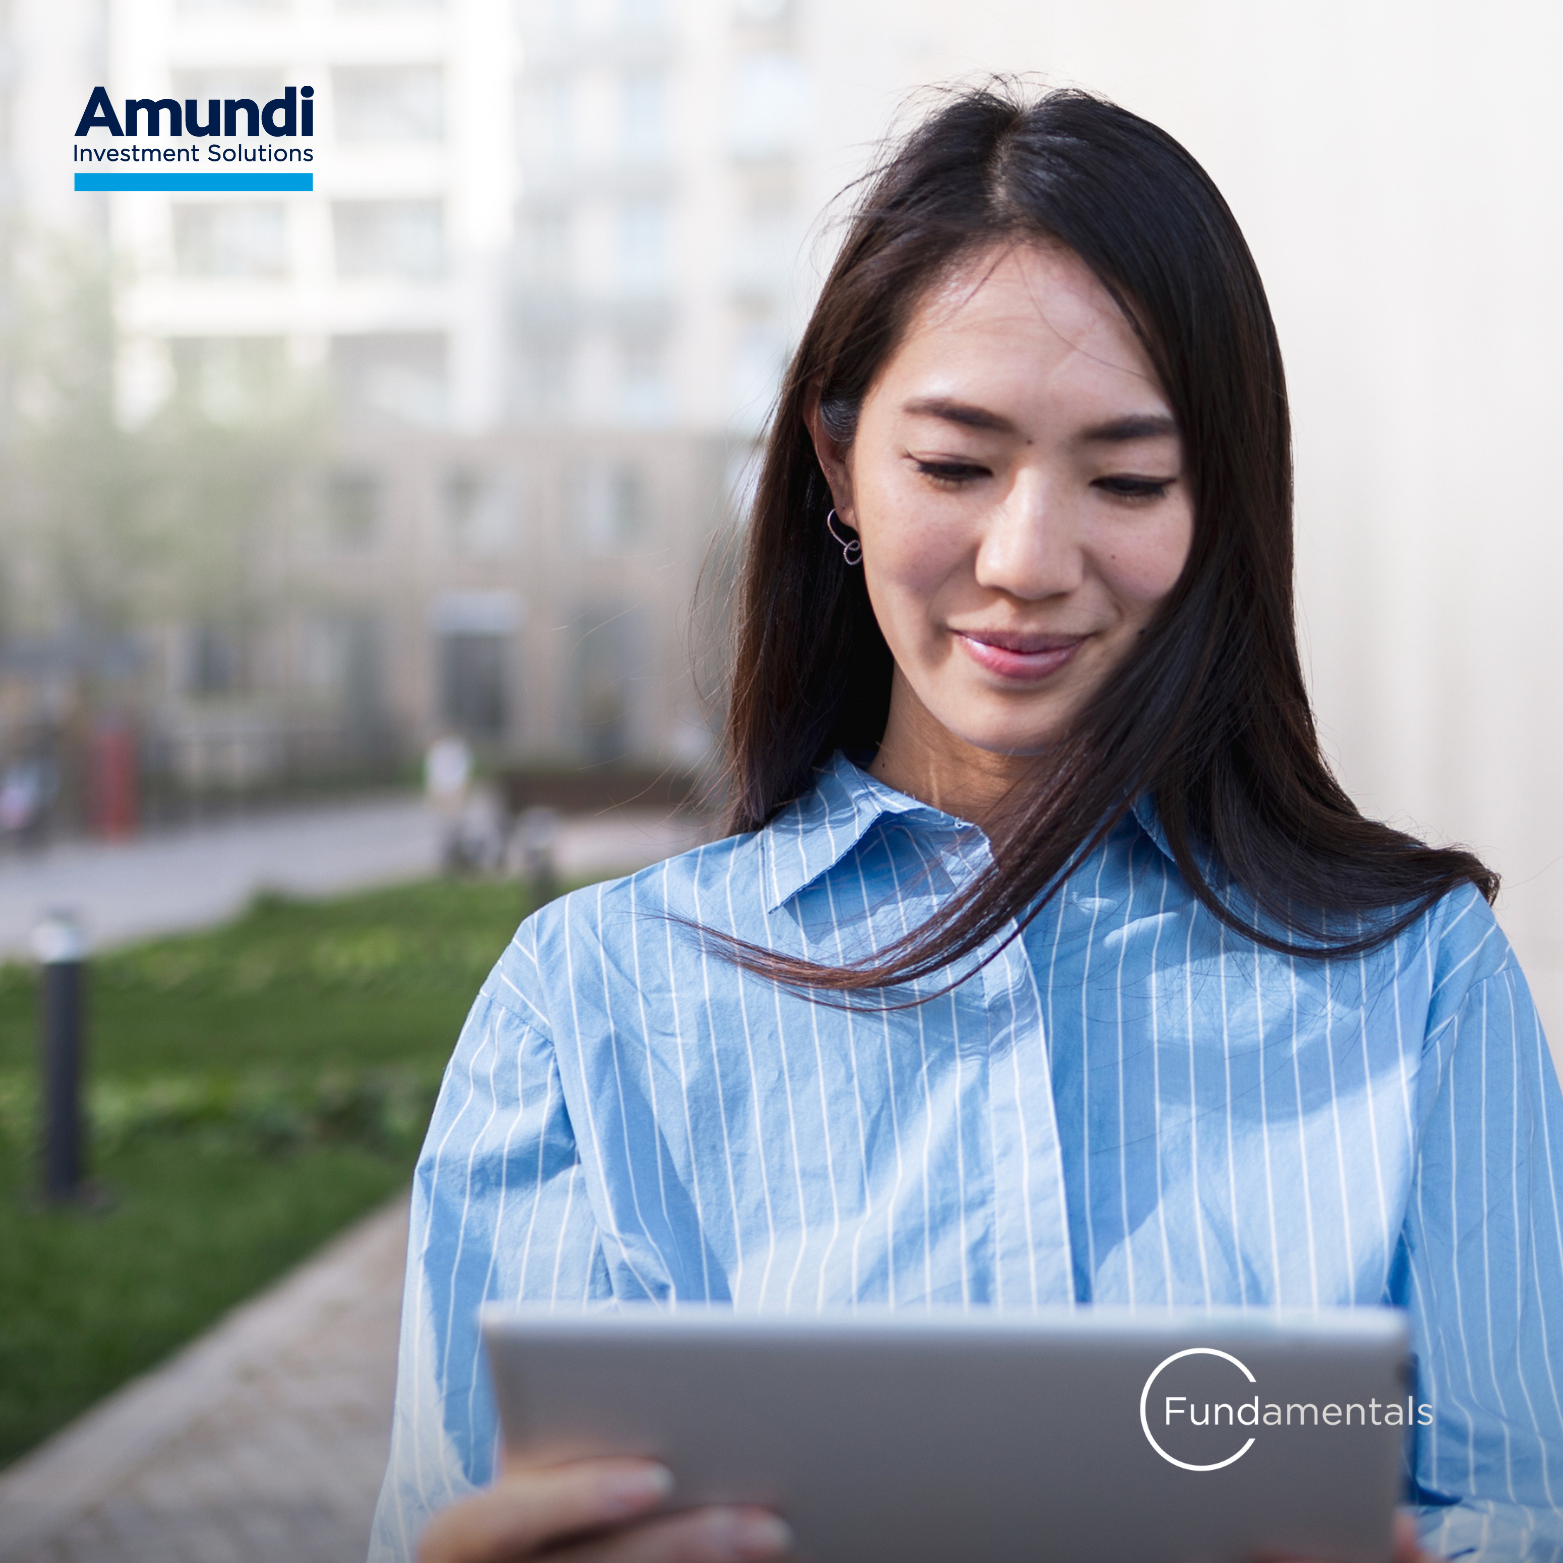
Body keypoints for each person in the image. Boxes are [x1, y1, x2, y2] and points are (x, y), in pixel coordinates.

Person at [372, 86, 1563, 1563]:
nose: (1026, 559)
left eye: (1126, 479)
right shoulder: (588, 1002)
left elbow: (1524, 1503)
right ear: (836, 464)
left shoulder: (1418, 979)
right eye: (952, 464)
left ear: (1221, 506)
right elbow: (453, 1522)